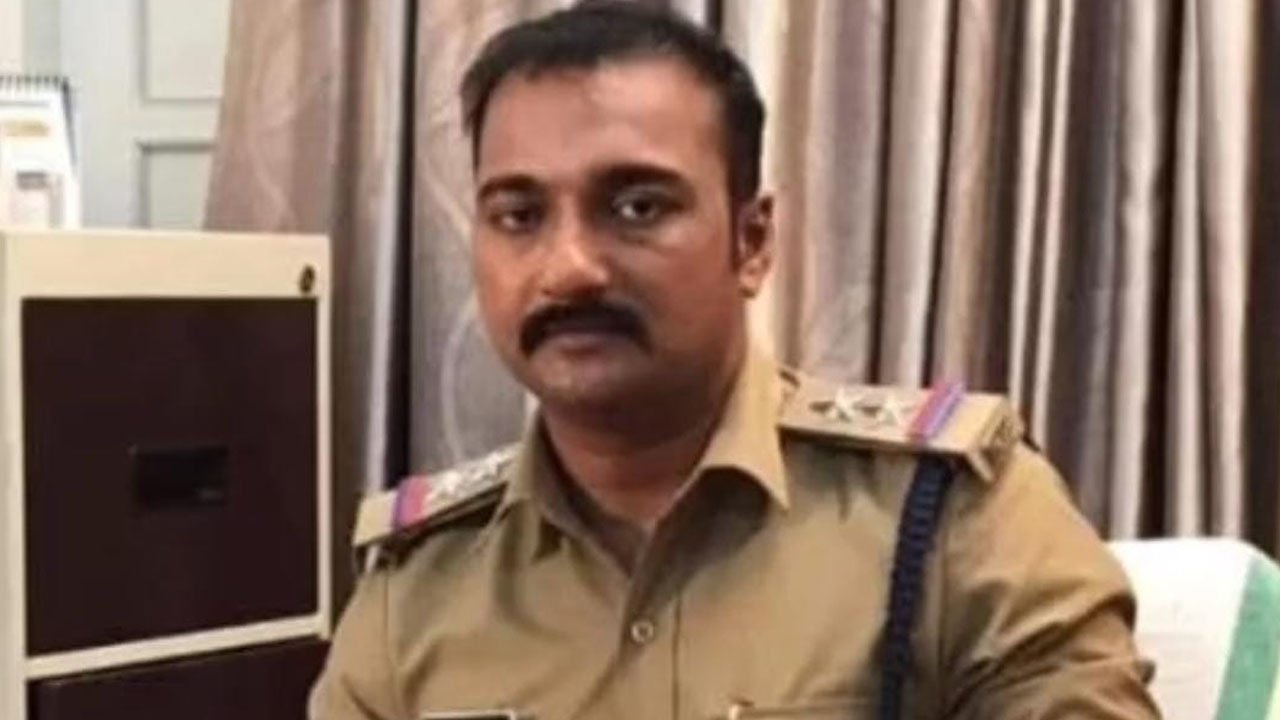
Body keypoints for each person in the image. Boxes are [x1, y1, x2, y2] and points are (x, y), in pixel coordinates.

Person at [310, 2, 1160, 718]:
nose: (568, 267)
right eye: (518, 216)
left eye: (637, 207)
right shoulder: (416, 589)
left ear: (752, 242)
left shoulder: (949, 518)